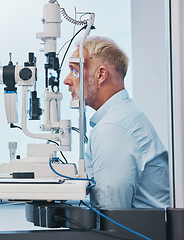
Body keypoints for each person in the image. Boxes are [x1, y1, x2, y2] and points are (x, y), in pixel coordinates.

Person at [63, 36, 169, 209]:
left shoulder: (113, 128)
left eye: (75, 71)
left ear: (101, 75)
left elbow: (112, 216)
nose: (66, 80)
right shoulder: (122, 116)